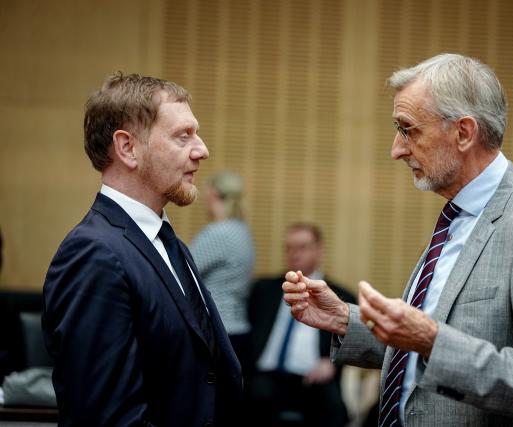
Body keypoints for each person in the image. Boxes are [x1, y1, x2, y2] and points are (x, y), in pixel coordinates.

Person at [283, 53, 513, 426]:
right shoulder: (455, 216)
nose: (396, 149)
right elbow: (426, 346)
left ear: (463, 133)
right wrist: (347, 319)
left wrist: (433, 340)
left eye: (408, 129)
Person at [41, 72, 242, 427]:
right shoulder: (93, 254)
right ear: (128, 148)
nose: (202, 150)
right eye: (183, 136)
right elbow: (106, 418)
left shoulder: (167, 241)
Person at [247, 223, 356, 427]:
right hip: (266, 377)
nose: (294, 254)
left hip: (313, 379)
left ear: (319, 250)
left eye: (302, 247)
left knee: (333, 407)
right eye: (289, 248)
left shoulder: (341, 297)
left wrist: (332, 363)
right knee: (252, 395)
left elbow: (353, 340)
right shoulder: (263, 290)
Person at [191, 170, 255, 372]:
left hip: (216, 330)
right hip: (238, 328)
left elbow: (181, 273)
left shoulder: (218, 233)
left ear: (213, 196)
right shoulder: (242, 231)